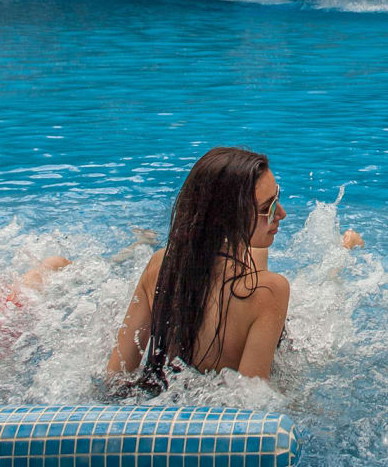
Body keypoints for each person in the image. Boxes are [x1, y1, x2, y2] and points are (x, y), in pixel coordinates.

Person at [107, 147, 293, 388]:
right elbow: (253, 403)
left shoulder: (161, 265)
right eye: (268, 208)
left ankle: (142, 241)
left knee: (256, 254)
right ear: (227, 217)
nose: (282, 213)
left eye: (277, 197)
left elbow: (116, 376)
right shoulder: (270, 291)